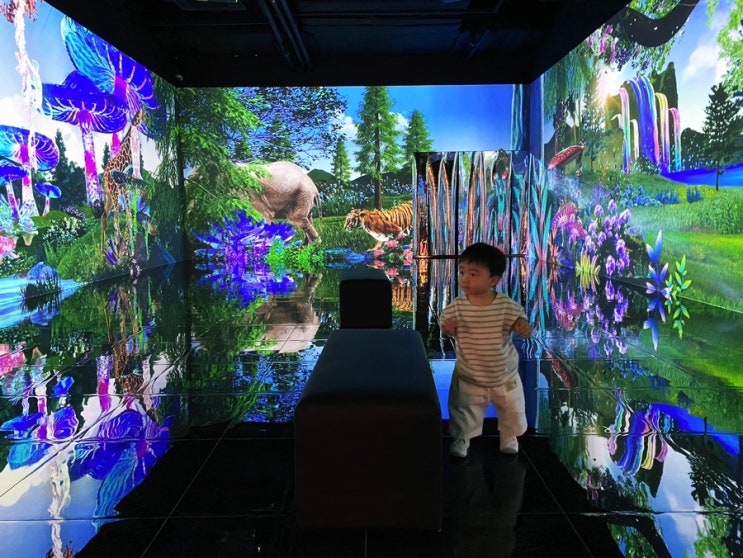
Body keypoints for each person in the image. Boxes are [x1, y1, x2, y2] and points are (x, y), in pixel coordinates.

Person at [439, 242, 532, 458]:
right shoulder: (458, 305)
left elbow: (519, 318)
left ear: (493, 281)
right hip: (470, 373)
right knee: (463, 410)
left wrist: (522, 325)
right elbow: (445, 324)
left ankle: (509, 436)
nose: (465, 278)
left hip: (504, 374)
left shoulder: (505, 305)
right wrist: (448, 328)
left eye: (473, 274)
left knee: (512, 409)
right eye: (462, 272)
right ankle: (462, 439)